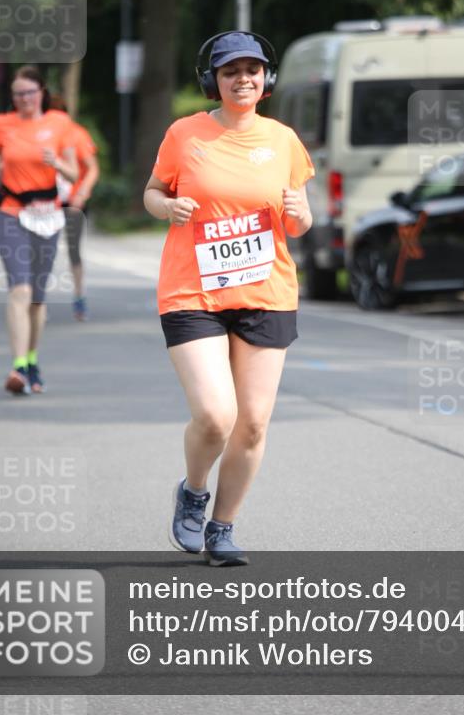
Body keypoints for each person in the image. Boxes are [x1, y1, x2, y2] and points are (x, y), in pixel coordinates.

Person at [144, 31, 314, 566]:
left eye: (252, 70)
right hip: (192, 290)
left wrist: (299, 213)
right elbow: (153, 191)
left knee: (253, 422)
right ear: (212, 81)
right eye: (230, 71)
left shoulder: (284, 140)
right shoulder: (184, 134)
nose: (243, 79)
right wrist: (165, 208)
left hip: (266, 292)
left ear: (266, 78)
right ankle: (194, 492)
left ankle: (222, 528)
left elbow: (299, 220)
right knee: (217, 415)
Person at [0, 67, 78, 395]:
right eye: (18, 94)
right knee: (19, 290)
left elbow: (74, 172)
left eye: (29, 93)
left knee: (37, 297)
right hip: (12, 211)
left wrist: (57, 163)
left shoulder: (59, 123)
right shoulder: (0, 124)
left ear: (42, 93)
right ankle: (18, 366)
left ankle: (32, 359)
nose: (24, 99)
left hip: (47, 214)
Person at [49, 95, 100, 321]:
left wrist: (82, 193)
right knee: (43, 251)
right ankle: (37, 302)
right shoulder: (41, 135)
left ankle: (79, 298)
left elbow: (92, 168)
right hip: (46, 203)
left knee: (73, 250)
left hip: (73, 202)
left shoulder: (77, 134)